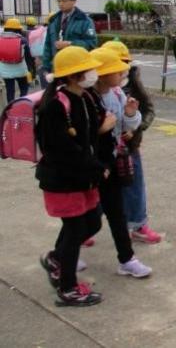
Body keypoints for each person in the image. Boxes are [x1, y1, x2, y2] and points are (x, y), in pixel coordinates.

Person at [36, 46, 106, 306]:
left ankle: (56, 258)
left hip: (83, 178)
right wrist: (94, 167)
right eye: (90, 69)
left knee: (92, 223)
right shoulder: (55, 106)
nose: (94, 73)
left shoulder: (84, 97)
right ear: (76, 75)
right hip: (63, 181)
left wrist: (95, 167)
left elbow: (90, 138)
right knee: (76, 228)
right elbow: (62, 151)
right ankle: (68, 288)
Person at [88, 47, 152, 278]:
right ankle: (64, 255)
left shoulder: (117, 94)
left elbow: (127, 125)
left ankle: (127, 259)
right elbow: (78, 134)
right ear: (102, 74)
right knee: (85, 219)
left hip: (113, 162)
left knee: (116, 214)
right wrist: (101, 128)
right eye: (117, 71)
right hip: (93, 166)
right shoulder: (87, 98)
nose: (122, 75)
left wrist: (131, 114)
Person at [102, 40, 162, 243]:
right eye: (117, 66)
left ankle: (138, 225)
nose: (122, 71)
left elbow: (147, 110)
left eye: (124, 65)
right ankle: (83, 228)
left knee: (134, 187)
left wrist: (136, 128)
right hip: (103, 152)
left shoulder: (131, 84)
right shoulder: (97, 90)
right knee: (98, 191)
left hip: (129, 149)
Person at [41, 0, 97, 80]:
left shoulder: (84, 20)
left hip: (76, 69)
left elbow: (91, 44)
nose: (60, 4)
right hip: (56, 68)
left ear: (73, 1)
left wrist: (70, 44)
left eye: (64, 1)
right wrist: (46, 68)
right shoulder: (53, 20)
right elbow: (48, 45)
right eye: (58, 1)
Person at [0, 18, 35, 102]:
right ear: (18, 29)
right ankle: (21, 104)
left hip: (5, 72)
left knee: (10, 91)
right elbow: (29, 57)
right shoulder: (22, 40)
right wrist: (31, 70)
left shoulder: (0, 40)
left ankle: (10, 109)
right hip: (21, 70)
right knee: (24, 88)